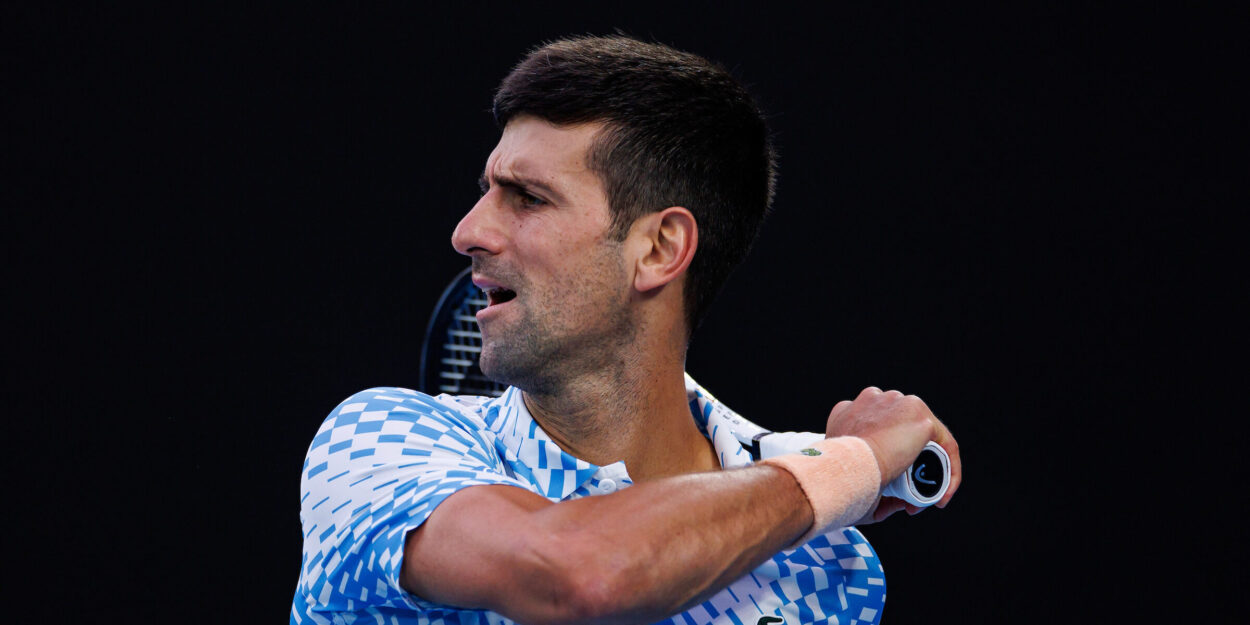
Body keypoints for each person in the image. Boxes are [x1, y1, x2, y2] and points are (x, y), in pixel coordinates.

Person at [292, 35, 961, 625]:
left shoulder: (824, 568)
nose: (469, 231)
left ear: (659, 248)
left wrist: (819, 488)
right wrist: (850, 465)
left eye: (527, 196)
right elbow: (583, 573)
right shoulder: (375, 445)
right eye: (487, 190)